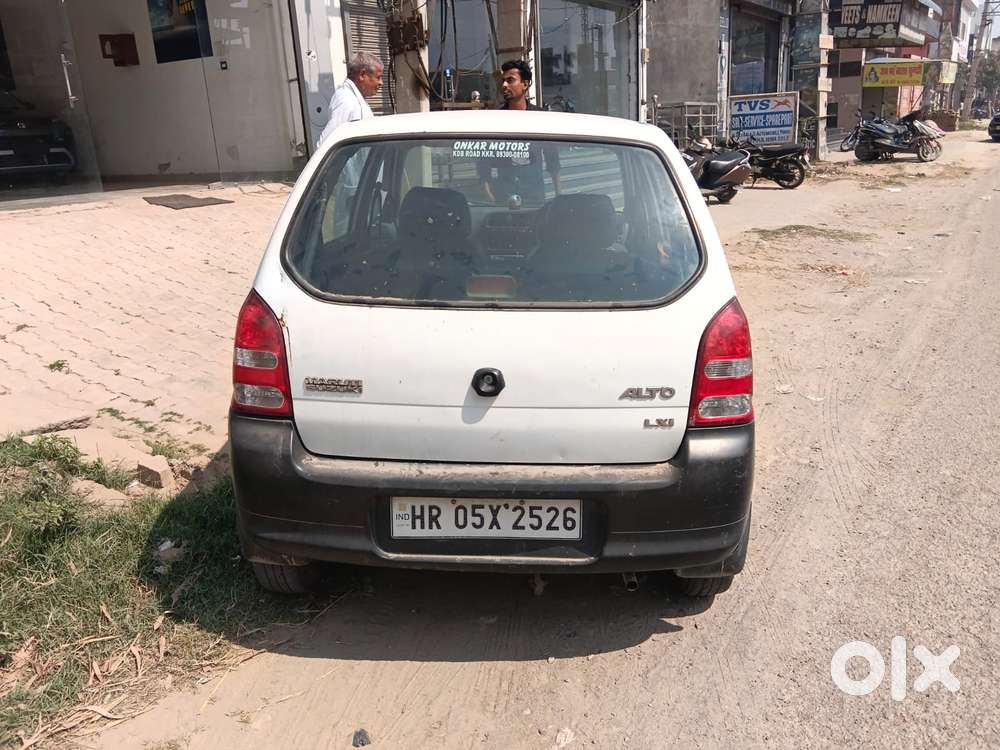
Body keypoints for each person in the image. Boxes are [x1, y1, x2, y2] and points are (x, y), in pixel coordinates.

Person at [478, 60, 560, 204]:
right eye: (503, 81)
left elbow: (552, 157)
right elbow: (484, 159)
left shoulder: (540, 118)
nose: (504, 85)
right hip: (503, 194)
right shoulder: (495, 120)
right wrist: (487, 190)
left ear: (525, 85)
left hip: (534, 195)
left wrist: (558, 193)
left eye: (510, 80)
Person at [316, 51, 383, 148]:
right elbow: (325, 144)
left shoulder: (355, 98)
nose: (381, 82)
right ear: (362, 75)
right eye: (378, 77)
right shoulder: (346, 99)